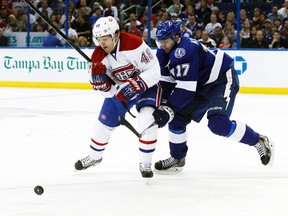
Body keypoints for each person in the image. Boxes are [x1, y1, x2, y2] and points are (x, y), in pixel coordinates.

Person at [152, 20, 274, 172]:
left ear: (177, 37)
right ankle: (178, 158)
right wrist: (160, 104)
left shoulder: (187, 49)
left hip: (220, 79)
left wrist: (167, 108)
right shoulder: (162, 53)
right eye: (160, 41)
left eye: (165, 41)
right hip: (199, 85)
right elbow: (165, 83)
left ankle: (258, 140)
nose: (163, 45)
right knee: (177, 118)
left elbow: (185, 91)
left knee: (218, 124)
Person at [74, 16, 161, 178]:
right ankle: (95, 156)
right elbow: (105, 93)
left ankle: (145, 162)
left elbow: (155, 71)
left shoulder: (133, 44)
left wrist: (136, 85)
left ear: (115, 35)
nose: (102, 43)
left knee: (146, 120)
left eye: (105, 39)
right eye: (99, 39)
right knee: (103, 123)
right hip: (122, 90)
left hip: (145, 85)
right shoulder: (98, 56)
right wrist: (102, 84)